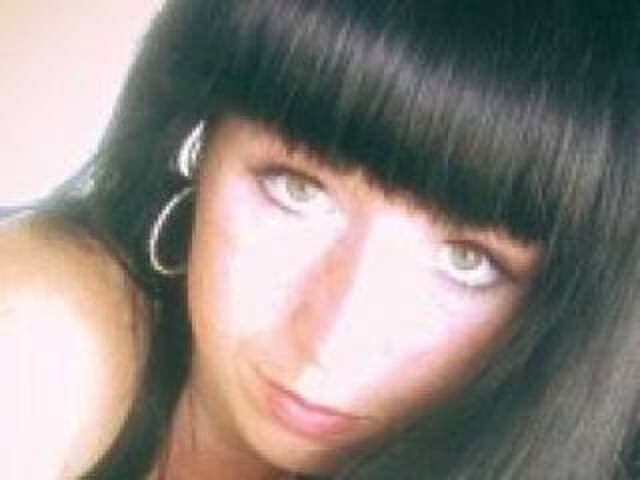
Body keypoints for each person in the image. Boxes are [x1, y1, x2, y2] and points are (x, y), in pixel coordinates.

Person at [2, 1, 640, 478]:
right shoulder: (57, 329)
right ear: (200, 138)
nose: (331, 343)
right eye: (297, 191)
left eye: (467, 260)